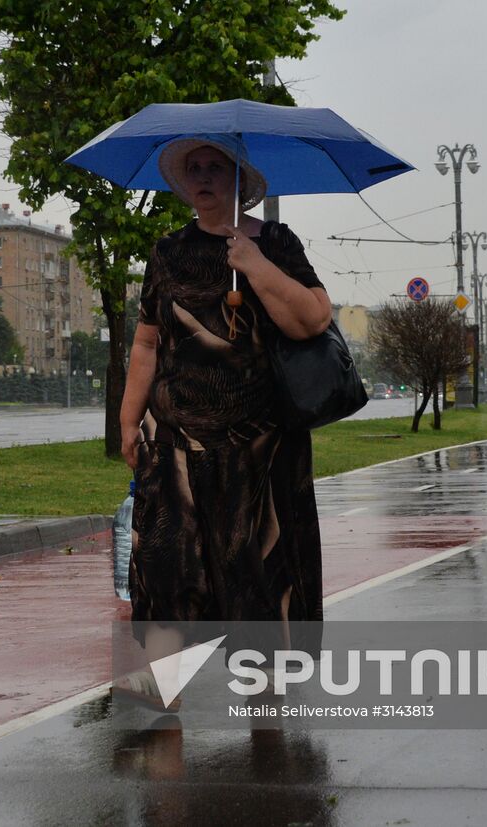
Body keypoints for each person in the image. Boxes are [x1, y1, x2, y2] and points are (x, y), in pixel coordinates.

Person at [116, 135, 331, 707]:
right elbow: (145, 342)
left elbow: (312, 320)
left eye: (216, 167)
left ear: (240, 180)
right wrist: (128, 419)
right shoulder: (166, 252)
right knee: (167, 560)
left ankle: (264, 685)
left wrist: (256, 266)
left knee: (256, 561)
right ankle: (163, 685)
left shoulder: (276, 242)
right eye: (195, 169)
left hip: (261, 442)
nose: (204, 176)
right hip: (176, 437)